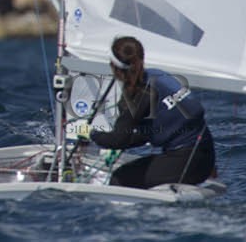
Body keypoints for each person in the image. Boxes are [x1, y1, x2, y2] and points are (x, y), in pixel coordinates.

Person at [77, 35, 217, 188]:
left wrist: (90, 133)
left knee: (120, 178)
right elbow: (144, 135)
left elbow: (118, 140)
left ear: (114, 67)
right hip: (207, 159)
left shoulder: (139, 96)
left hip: (186, 162)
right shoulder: (158, 75)